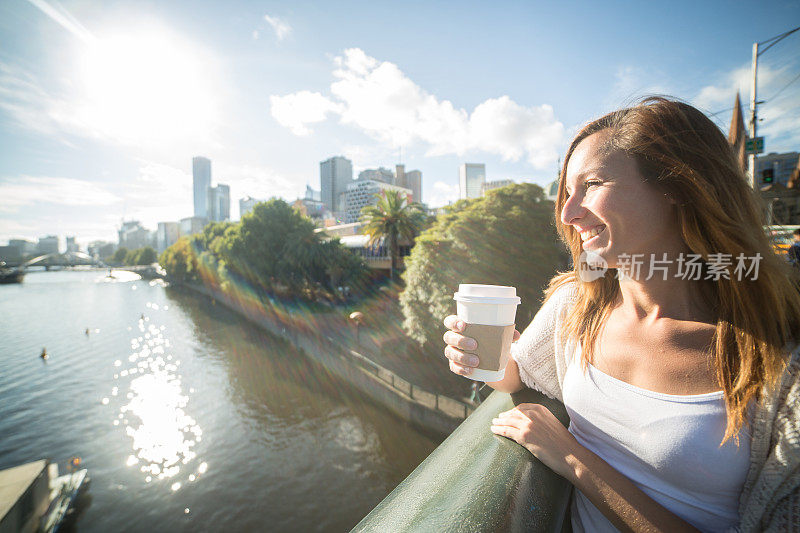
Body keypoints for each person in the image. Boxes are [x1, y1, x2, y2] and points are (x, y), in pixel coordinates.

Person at [443, 97, 800, 532]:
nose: (568, 212)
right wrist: (480, 357)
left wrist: (572, 457)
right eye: (567, 191)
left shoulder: (782, 360)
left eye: (591, 184)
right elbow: (521, 376)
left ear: (677, 186)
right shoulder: (578, 304)